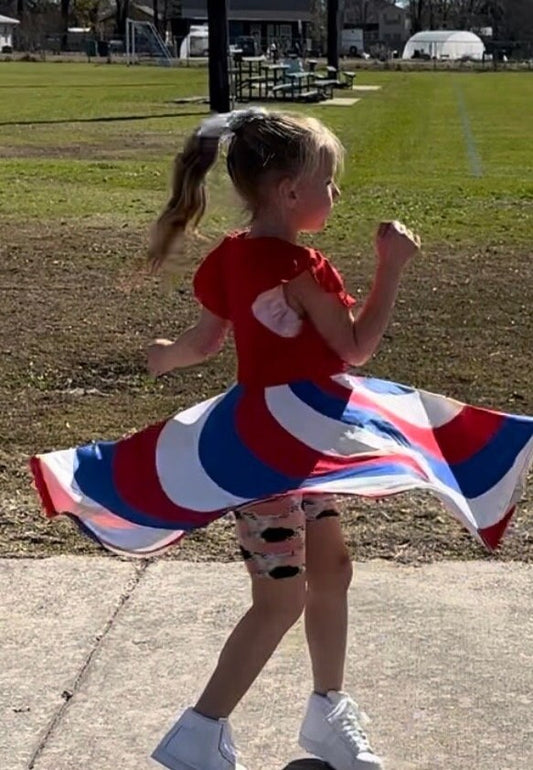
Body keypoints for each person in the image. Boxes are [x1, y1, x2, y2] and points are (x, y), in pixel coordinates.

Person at [30, 109, 533, 770]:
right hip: (270, 450)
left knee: (332, 571)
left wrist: (164, 356)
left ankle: (326, 713)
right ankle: (199, 732)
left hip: (297, 446)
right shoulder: (302, 267)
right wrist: (391, 268)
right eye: (328, 182)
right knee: (281, 597)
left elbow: (204, 341)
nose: (336, 193)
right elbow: (355, 348)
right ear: (291, 192)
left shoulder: (232, 256)